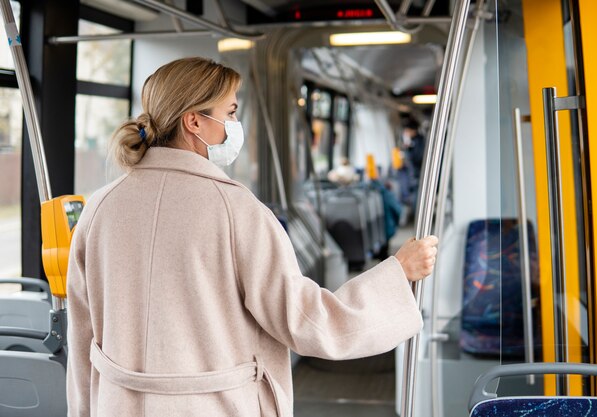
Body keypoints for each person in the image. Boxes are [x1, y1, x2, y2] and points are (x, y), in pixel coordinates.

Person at [66, 57, 438, 417]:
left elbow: (83, 338)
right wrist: (397, 272)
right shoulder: (237, 211)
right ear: (193, 121)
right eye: (229, 113)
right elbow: (307, 321)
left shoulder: (98, 209)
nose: (235, 123)